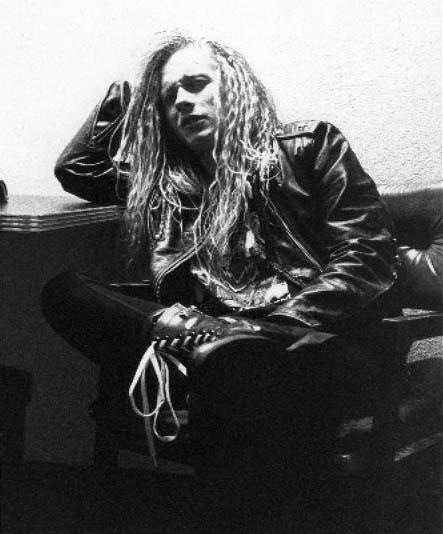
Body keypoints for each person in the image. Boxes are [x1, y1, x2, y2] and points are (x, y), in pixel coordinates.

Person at [42, 33, 399, 473]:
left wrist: (271, 326)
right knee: (65, 292)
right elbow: (78, 167)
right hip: (211, 354)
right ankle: (219, 345)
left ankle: (231, 349)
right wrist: (130, 97)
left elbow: (367, 257)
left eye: (196, 84)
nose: (182, 101)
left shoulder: (310, 146)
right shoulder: (169, 186)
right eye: (168, 97)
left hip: (312, 345)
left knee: (240, 377)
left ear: (234, 86)